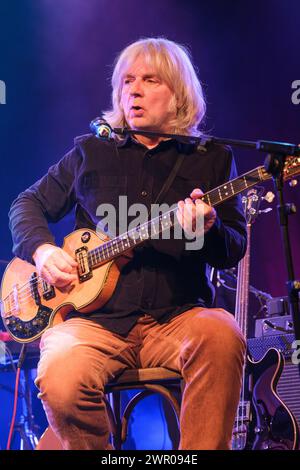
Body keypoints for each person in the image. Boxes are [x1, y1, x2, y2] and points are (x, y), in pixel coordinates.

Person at [9, 37, 247, 450]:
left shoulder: (211, 159)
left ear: (178, 93)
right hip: (92, 326)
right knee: (60, 374)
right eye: (126, 82)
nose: (132, 91)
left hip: (177, 318)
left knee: (223, 335)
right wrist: (43, 251)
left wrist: (207, 227)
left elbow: (233, 246)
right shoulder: (91, 151)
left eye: (149, 80)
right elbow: (25, 203)